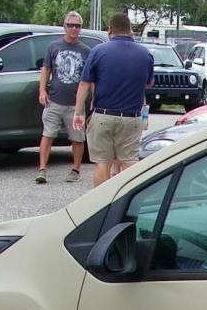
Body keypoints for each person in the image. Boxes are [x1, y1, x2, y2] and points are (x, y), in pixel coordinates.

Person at [72, 12, 154, 187]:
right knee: (129, 161)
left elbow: (84, 84)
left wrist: (78, 112)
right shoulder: (145, 54)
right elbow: (149, 83)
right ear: (130, 30)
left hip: (104, 115)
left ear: (110, 29)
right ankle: (130, 201)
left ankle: (101, 206)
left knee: (103, 162)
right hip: (132, 117)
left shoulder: (98, 51)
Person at [37, 12, 91, 184]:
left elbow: (90, 78)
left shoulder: (86, 51)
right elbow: (46, 69)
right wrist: (42, 91)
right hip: (54, 100)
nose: (74, 29)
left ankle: (75, 169)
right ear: (64, 26)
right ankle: (42, 169)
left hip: (75, 104)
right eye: (71, 25)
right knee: (48, 134)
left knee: (77, 138)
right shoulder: (54, 46)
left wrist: (93, 98)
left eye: (77, 26)